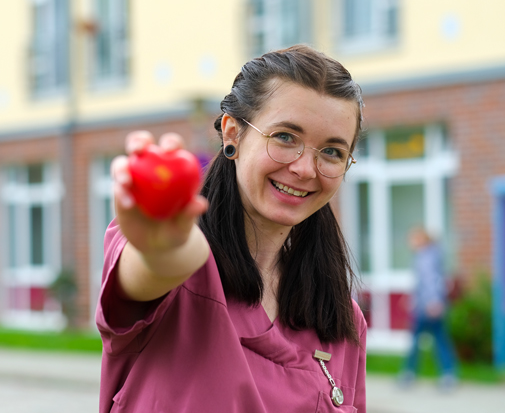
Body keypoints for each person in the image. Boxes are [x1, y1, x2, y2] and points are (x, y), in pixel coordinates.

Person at [96, 45, 367, 412]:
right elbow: (156, 266)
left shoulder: (342, 320)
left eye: (332, 151)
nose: (306, 169)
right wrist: (163, 245)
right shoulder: (179, 273)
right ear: (232, 134)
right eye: (286, 137)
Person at [399, 227, 458, 388]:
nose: (410, 243)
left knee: (419, 341)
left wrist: (433, 302)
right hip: (427, 305)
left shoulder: (425, 257)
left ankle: (409, 374)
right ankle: (448, 374)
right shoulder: (432, 255)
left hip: (428, 308)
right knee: (439, 339)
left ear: (420, 240)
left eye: (412, 239)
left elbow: (431, 281)